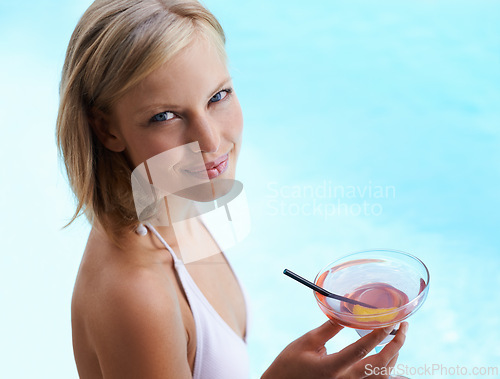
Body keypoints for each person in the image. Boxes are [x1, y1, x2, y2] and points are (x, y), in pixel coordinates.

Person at [56, 0, 408, 378]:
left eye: (218, 96)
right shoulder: (138, 297)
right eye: (165, 116)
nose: (209, 141)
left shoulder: (172, 206)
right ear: (107, 129)